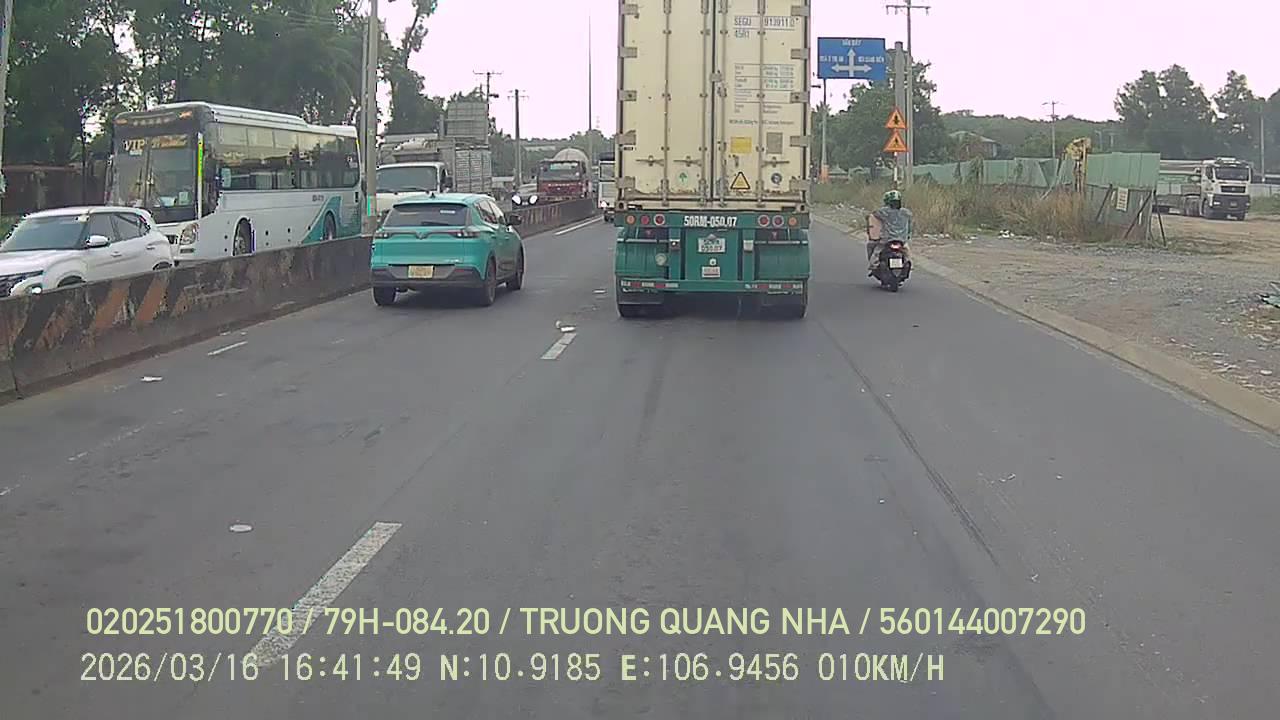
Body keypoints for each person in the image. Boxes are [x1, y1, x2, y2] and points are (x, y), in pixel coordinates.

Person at [866, 189, 913, 273]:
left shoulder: (884, 211)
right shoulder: (906, 212)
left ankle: (873, 265)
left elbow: (874, 215)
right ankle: (909, 265)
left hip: (886, 240)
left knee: (875, 250)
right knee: (907, 253)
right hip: (902, 240)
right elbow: (909, 226)